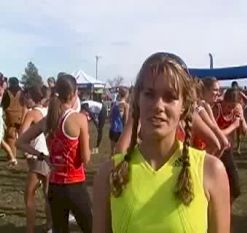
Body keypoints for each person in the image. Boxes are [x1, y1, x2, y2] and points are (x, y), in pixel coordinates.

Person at [92, 52, 230, 233]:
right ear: (138, 100)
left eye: (170, 96)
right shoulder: (108, 175)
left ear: (184, 106)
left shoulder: (211, 171)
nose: (158, 105)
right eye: (149, 94)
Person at [17, 74, 92, 233]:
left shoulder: (48, 120)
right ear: (73, 94)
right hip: (75, 186)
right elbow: (86, 159)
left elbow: (20, 142)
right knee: (91, 227)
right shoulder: (79, 119)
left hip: (55, 187)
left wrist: (42, 156)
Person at [19, 85, 51, 233]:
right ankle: (51, 225)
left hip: (38, 157)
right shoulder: (47, 111)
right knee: (47, 194)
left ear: (32, 98)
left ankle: (30, 230)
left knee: (29, 195)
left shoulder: (31, 113)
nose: (25, 99)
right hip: (49, 157)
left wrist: (25, 112)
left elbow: (21, 136)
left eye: (27, 96)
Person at [1, 77, 26, 161]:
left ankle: (12, 156)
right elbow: (25, 105)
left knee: (11, 137)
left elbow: (3, 105)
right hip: (21, 116)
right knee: (24, 137)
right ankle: (27, 153)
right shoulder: (22, 92)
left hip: (10, 117)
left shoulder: (6, 92)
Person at [0, 77, 16, 165]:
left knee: (1, 141)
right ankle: (12, 158)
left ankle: (12, 157)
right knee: (1, 141)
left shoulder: (3, 94)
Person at [109, 88, 129, 155]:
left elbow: (110, 116)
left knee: (112, 150)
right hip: (120, 130)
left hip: (112, 129)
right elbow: (125, 120)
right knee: (121, 151)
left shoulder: (114, 104)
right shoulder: (125, 105)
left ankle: (112, 163)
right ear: (126, 95)